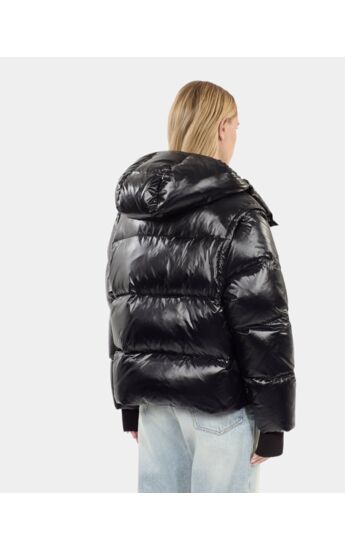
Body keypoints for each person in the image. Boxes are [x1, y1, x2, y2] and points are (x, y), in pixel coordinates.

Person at [105, 80, 296, 493]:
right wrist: (273, 422)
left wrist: (131, 403)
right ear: (223, 127)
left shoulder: (131, 215)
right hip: (219, 408)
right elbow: (262, 321)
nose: (236, 135)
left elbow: (122, 308)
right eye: (237, 126)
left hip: (154, 405)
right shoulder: (239, 213)